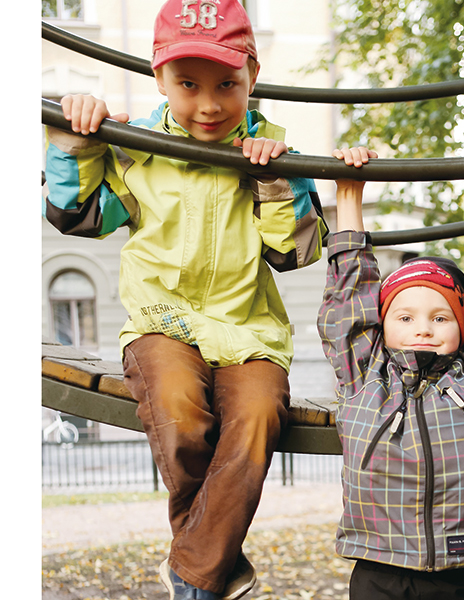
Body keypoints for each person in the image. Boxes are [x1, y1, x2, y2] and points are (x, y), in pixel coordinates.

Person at [43, 1, 328, 598]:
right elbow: (79, 216)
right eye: (188, 85)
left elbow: (295, 253)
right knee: (178, 408)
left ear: (252, 76)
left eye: (226, 84)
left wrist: (274, 180)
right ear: (159, 79)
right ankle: (211, 563)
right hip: (162, 322)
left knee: (258, 415)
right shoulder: (137, 148)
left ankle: (193, 568)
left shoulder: (273, 154)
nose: (209, 105)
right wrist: (73, 147)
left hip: (248, 330)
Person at [317, 145, 464, 599]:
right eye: (406, 317)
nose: (423, 328)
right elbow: (349, 296)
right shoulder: (365, 376)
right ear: (382, 325)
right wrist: (348, 195)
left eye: (441, 317)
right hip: (380, 566)